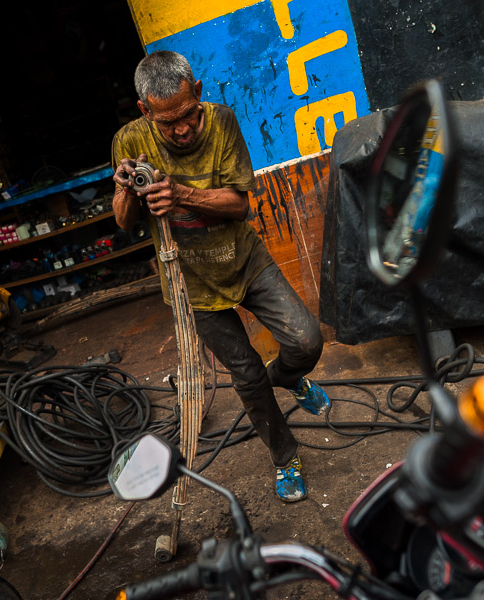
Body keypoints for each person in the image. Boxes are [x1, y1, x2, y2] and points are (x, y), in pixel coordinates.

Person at [110, 50, 330, 502]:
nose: (182, 128)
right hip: (191, 283)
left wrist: (183, 194)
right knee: (246, 376)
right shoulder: (129, 140)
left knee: (306, 341)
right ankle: (285, 457)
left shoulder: (223, 121)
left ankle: (289, 377)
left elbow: (240, 204)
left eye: (188, 115)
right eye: (167, 122)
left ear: (198, 93)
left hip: (244, 260)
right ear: (145, 111)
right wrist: (125, 187)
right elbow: (124, 222)